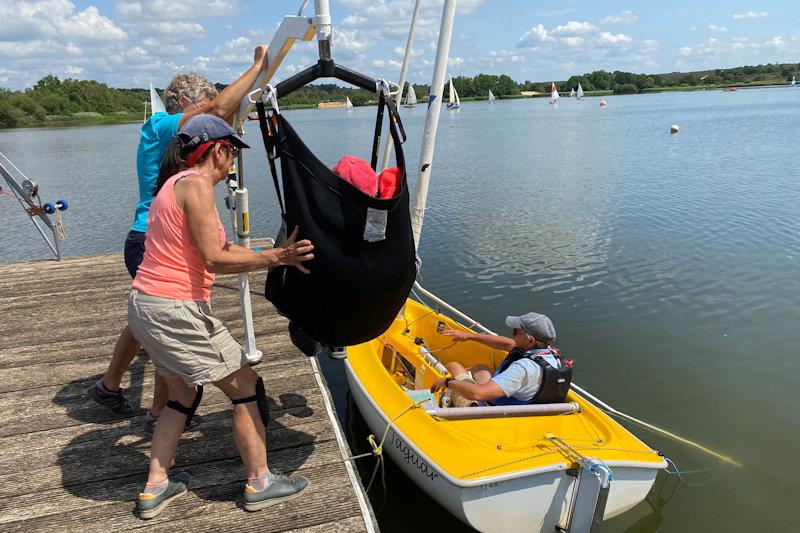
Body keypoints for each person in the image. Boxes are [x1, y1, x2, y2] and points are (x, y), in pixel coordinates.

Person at [130, 114, 314, 518]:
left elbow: (220, 247)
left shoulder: (173, 186)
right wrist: (278, 257)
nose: (232, 164)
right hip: (174, 308)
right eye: (232, 154)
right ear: (219, 150)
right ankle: (260, 480)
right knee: (245, 385)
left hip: (144, 305)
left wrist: (269, 256)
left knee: (181, 395)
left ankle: (154, 488)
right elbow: (213, 260)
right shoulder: (196, 185)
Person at [88, 45, 271, 433]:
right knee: (166, 326)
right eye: (203, 104)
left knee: (145, 326)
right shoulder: (161, 126)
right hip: (150, 237)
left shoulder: (176, 143)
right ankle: (161, 410)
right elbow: (219, 111)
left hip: (152, 234)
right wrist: (256, 67)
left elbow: (220, 112)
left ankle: (111, 387)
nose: (210, 110)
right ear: (186, 103)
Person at [430, 312, 572, 406]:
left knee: (454, 367)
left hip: (493, 415)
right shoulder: (554, 358)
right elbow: (506, 343)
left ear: (530, 340)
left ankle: (450, 395)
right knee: (480, 368)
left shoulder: (523, 368)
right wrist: (469, 336)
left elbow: (478, 393)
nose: (512, 333)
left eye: (516, 331)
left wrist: (447, 382)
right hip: (529, 413)